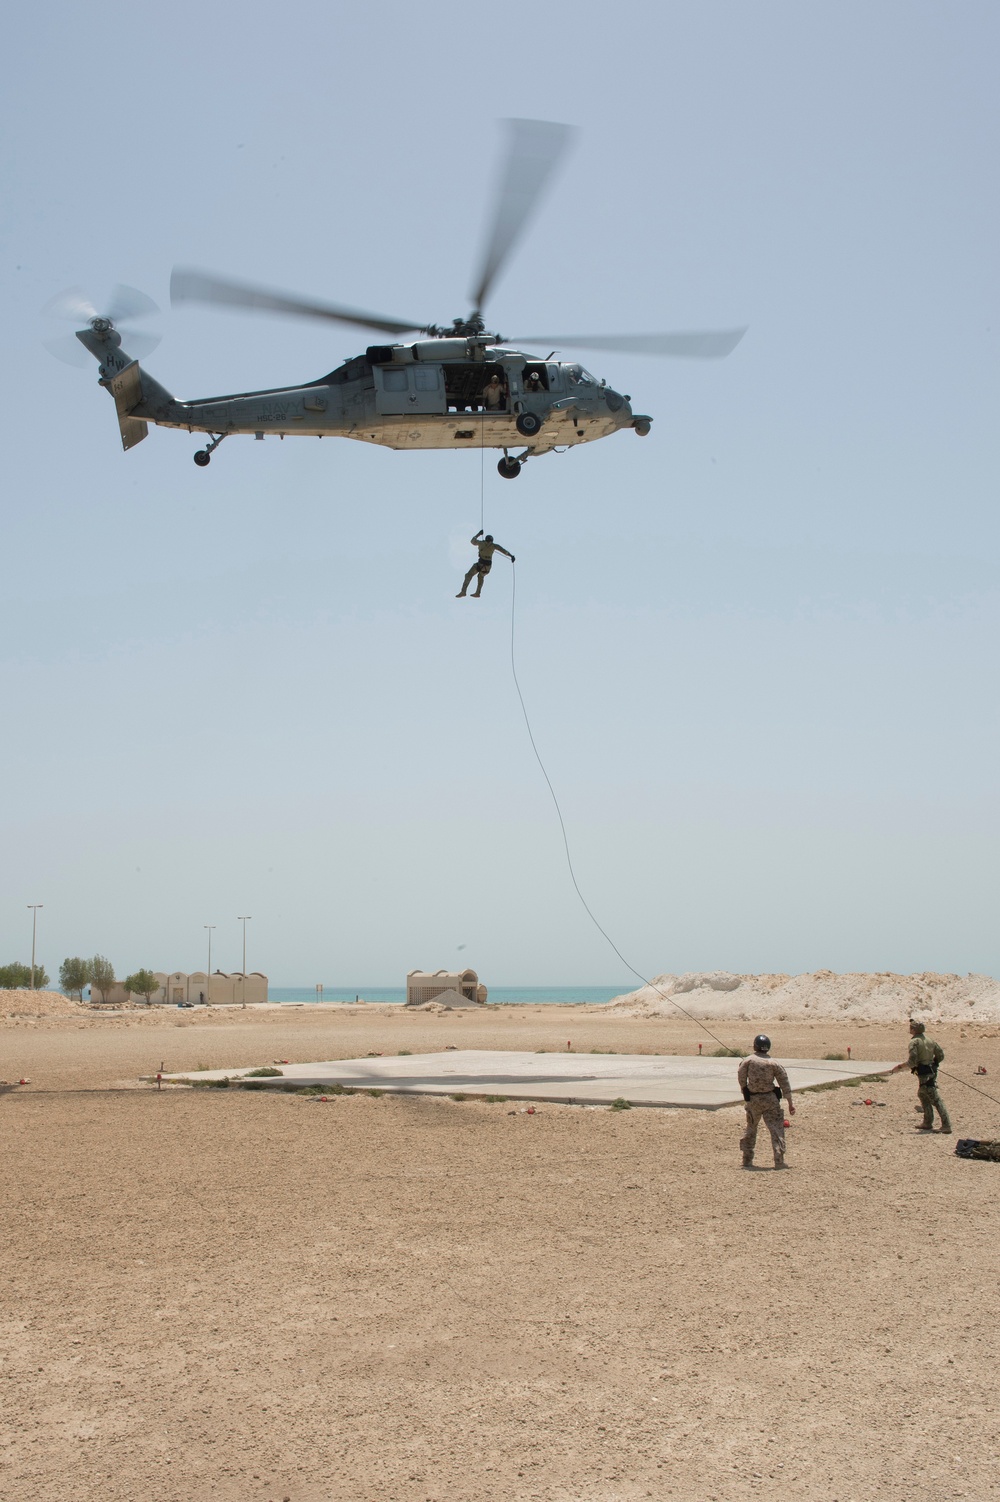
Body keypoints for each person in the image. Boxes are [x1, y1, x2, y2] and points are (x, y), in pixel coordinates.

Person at [737, 1034, 795, 1169]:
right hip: (771, 1100)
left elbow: (741, 1077)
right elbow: (784, 1082)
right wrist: (790, 1103)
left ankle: (746, 1159)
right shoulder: (773, 1063)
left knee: (751, 1128)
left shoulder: (748, 1061)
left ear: (755, 1046)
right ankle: (779, 1160)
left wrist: (745, 1090)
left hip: (754, 1100)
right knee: (776, 1129)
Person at [894, 1019, 951, 1132]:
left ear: (914, 1030)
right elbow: (940, 1055)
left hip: (924, 1072)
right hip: (931, 1071)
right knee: (922, 1094)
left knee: (934, 1098)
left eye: (911, 1027)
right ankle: (927, 1122)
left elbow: (912, 1061)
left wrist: (899, 1067)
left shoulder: (914, 1042)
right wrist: (933, 1063)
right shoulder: (930, 1040)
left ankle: (946, 1125)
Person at [456, 529, 514, 599]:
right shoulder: (494, 546)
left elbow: (472, 541)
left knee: (469, 575)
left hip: (480, 564)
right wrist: (511, 556)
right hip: (487, 567)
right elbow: (504, 551)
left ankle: (463, 591)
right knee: (481, 577)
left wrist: (479, 534)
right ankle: (477, 593)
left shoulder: (481, 543)